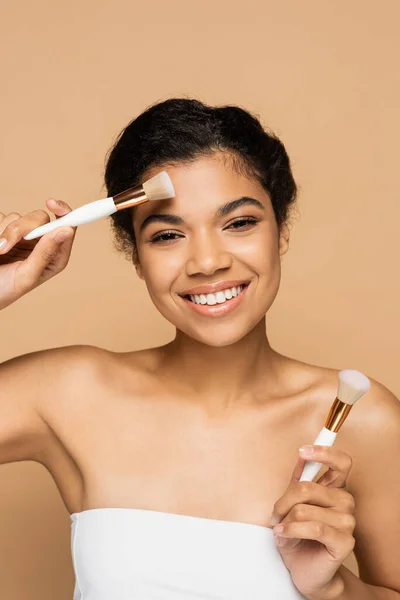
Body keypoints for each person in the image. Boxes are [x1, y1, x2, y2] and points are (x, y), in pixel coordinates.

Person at [0, 98, 399, 600]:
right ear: (138, 260)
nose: (207, 261)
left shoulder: (363, 420)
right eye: (168, 234)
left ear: (282, 232)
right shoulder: (68, 393)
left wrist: (336, 590)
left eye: (239, 223)